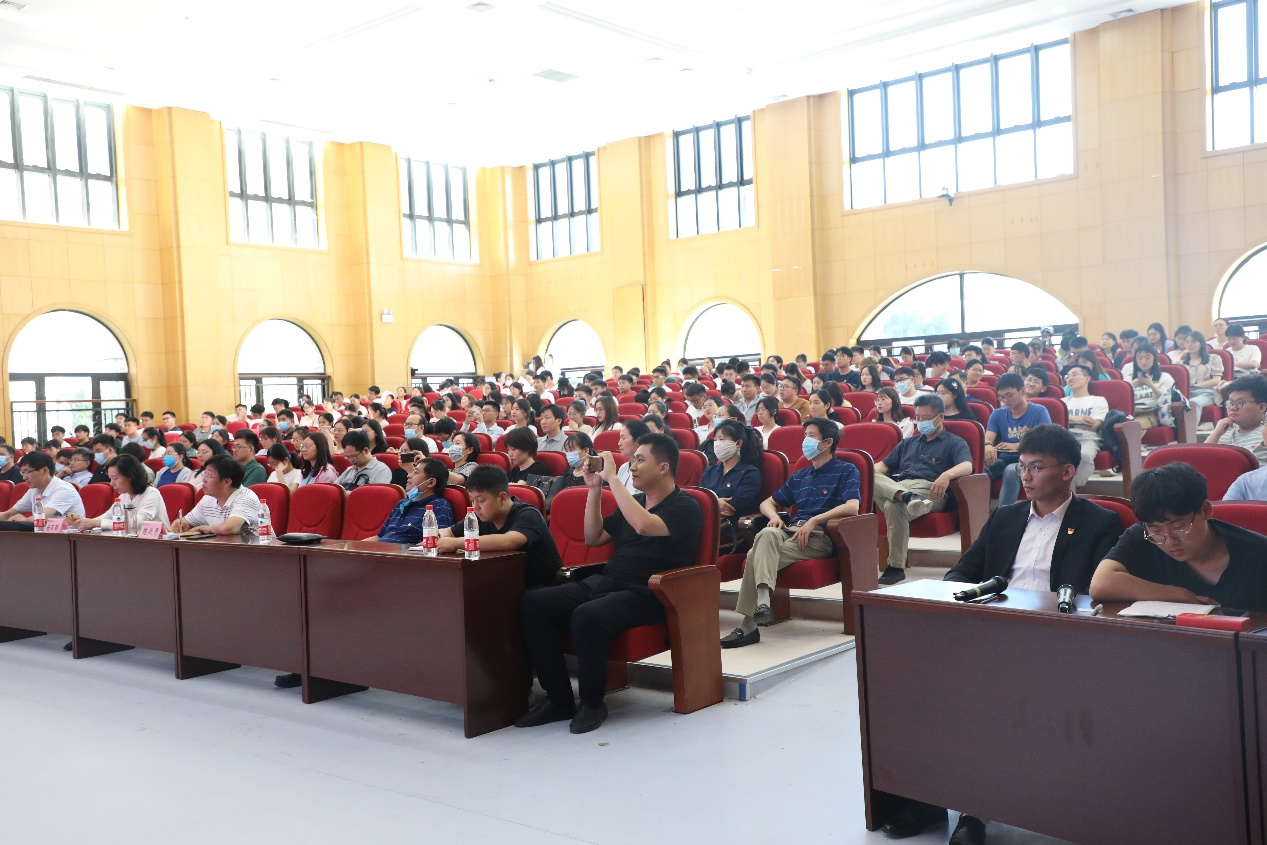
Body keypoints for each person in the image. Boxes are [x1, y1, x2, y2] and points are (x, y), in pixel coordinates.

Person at [517, 433, 702, 734]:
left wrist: (613, 479)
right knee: (534, 602)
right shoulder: (635, 502)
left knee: (587, 615)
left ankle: (592, 703)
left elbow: (644, 525)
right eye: (633, 460)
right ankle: (559, 698)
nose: (633, 466)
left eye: (640, 460)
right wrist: (594, 489)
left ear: (663, 467)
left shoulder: (686, 506)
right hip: (609, 581)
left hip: (651, 592)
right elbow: (594, 537)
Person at [722, 418, 861, 647]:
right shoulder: (800, 476)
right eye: (805, 435)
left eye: (811, 435)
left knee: (753, 556)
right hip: (792, 532)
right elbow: (766, 503)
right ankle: (762, 604)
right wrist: (774, 517)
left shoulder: (846, 470)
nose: (805, 440)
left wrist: (815, 519)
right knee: (767, 533)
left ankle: (749, 624)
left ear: (828, 442)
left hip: (820, 536)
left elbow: (852, 506)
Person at [1091, 462, 1267, 610]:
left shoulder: (1258, 553)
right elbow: (1101, 584)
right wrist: (1180, 595)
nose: (1169, 540)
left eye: (1179, 527)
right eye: (1156, 529)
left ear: (1205, 510)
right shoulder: (1142, 535)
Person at [873, 394, 974, 585]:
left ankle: (895, 567)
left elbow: (967, 465)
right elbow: (883, 466)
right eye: (917, 418)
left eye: (925, 418)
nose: (920, 422)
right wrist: (867, 471)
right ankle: (905, 497)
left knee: (894, 505)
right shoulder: (908, 442)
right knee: (866, 472)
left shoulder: (954, 442)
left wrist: (946, 475)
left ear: (940, 417)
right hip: (900, 486)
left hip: (929, 490)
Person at [438, 465, 563, 588]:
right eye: (472, 500)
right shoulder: (479, 517)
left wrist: (456, 543)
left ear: (502, 498)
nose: (475, 507)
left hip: (544, 587)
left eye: (481, 500)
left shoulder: (528, 514)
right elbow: (449, 532)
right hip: (508, 585)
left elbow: (508, 541)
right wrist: (436, 536)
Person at [985, 373, 1052, 508]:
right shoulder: (998, 414)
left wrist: (1017, 446)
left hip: (1031, 461)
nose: (1006, 400)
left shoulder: (1039, 411)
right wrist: (988, 446)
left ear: (1022, 391)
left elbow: (1046, 440)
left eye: (1009, 395)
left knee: (1011, 471)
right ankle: (980, 512)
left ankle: (1004, 514)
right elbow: (988, 437)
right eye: (1001, 397)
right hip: (1004, 458)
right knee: (983, 470)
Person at [67, 454, 169, 531]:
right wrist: (83, 521)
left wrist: (96, 523)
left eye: (115, 478)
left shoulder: (152, 493)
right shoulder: (124, 496)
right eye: (110, 479)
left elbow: (135, 522)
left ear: (130, 476)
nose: (112, 483)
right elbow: (106, 516)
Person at [171, 455, 261, 536]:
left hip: (252, 548)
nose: (204, 479)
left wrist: (206, 528)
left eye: (209, 475)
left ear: (226, 482)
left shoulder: (246, 498)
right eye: (204, 474)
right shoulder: (208, 499)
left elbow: (229, 528)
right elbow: (188, 521)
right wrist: (183, 525)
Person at [372, 457, 455, 543]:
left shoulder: (439, 505)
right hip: (382, 549)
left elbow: (438, 541)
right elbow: (379, 537)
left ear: (430, 482)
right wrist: (361, 546)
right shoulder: (402, 503)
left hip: (406, 551)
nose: (408, 475)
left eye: (416, 472)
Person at [698, 419, 762, 521]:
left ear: (738, 443)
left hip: (731, 524)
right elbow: (699, 499)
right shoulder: (709, 471)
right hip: (706, 518)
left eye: (721, 439)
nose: (717, 444)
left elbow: (734, 506)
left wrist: (710, 503)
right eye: (715, 440)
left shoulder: (750, 473)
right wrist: (716, 503)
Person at [1061, 364, 1110, 488]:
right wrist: (1076, 419)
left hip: (1088, 438)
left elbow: (1094, 426)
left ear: (1087, 378)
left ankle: (1072, 488)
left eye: (1074, 374)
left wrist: (1068, 422)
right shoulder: (1063, 402)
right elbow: (1057, 424)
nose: (1070, 379)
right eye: (1067, 376)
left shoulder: (1098, 400)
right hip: (1065, 438)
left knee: (1084, 456)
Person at [0, 452, 85, 522]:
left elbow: (41, 518)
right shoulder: (34, 490)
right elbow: (8, 514)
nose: (24, 477)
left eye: (28, 472)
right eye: (22, 472)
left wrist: (21, 520)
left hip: (69, 536)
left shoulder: (64, 490)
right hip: (45, 535)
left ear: (45, 470)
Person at [1121, 346, 1176, 431]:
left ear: (1154, 359)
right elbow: (1121, 400)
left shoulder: (1164, 377)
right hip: (1131, 413)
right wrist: (1131, 386)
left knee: (1132, 427)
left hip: (1151, 413)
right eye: (1140, 358)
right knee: (1118, 427)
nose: (1144, 361)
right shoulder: (1128, 380)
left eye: (1148, 358)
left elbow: (1166, 398)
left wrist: (1151, 385)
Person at [1178, 331, 1224, 410]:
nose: (1189, 345)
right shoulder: (1180, 364)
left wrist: (1195, 386)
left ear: (1201, 344)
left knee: (1193, 403)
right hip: (1186, 394)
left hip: (1206, 393)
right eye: (1187, 342)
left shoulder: (1213, 358)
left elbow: (1216, 380)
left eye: (1193, 342)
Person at [613, 420, 651, 494]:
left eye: (623, 438)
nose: (619, 443)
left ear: (638, 441)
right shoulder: (623, 468)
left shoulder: (649, 471)